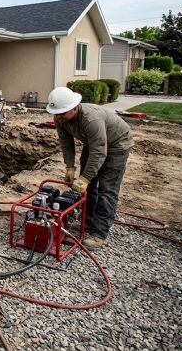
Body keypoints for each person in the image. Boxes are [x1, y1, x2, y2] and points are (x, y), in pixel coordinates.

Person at [46, 87, 133, 250]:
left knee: (108, 189)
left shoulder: (91, 119)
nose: (59, 117)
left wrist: (85, 177)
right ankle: (88, 221)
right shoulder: (60, 118)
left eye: (62, 113)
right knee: (88, 187)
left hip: (117, 144)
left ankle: (99, 233)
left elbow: (99, 151)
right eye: (57, 113)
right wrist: (70, 167)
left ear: (73, 107)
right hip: (93, 143)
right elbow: (66, 143)